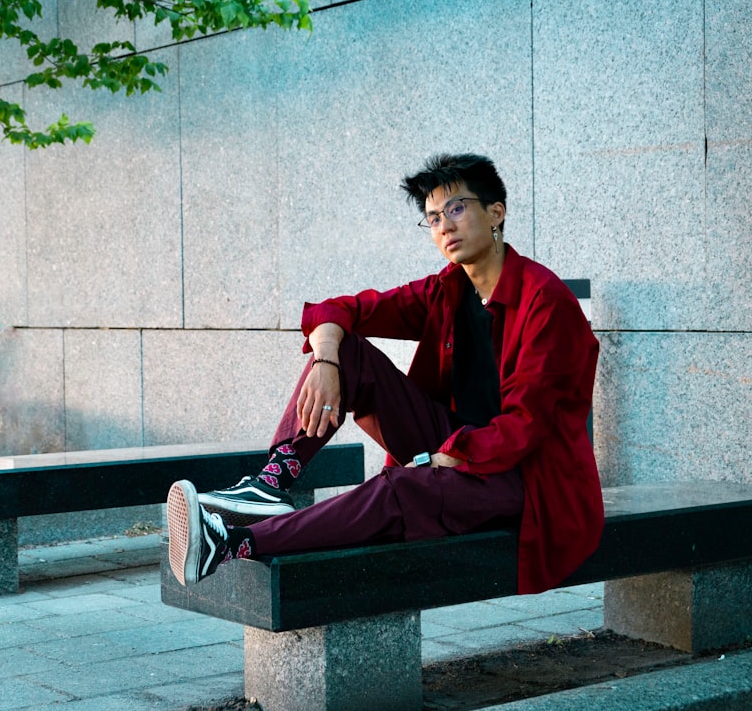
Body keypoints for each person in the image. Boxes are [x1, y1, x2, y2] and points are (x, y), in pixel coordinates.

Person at [166, 153, 603, 596]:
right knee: (348, 351)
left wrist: (448, 454)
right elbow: (340, 310)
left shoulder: (545, 302)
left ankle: (231, 544)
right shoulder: (447, 290)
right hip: (458, 447)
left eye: (456, 209)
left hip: (529, 483)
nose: (444, 226)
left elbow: (527, 425)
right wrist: (326, 360)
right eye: (432, 218)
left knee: (399, 489)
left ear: (496, 213)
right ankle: (271, 483)